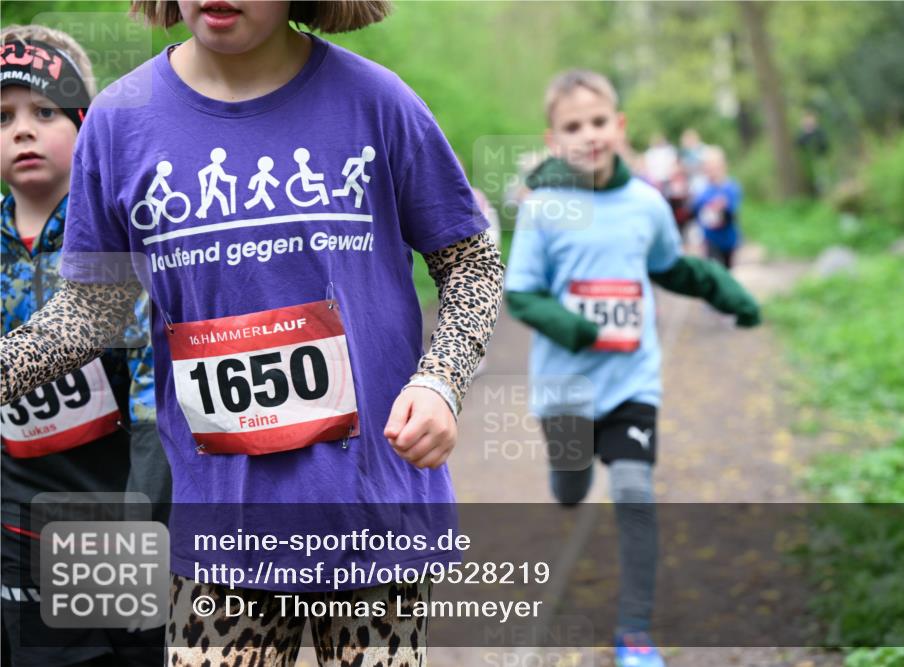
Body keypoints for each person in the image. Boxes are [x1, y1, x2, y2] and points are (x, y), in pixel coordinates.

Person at [0, 2, 504, 665]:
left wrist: (441, 380)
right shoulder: (120, 123)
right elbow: (92, 309)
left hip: (371, 522)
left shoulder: (377, 102)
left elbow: (470, 261)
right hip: (218, 542)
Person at [504, 69, 760, 667]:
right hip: (565, 387)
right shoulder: (544, 208)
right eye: (573, 126)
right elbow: (522, 294)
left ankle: (635, 633)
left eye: (598, 122)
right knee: (570, 488)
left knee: (633, 490)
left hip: (631, 382)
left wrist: (730, 294)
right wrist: (579, 328)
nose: (588, 135)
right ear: (553, 139)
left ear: (618, 128)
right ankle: (566, 479)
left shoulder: (646, 203)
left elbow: (675, 268)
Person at [0, 25, 167, 666]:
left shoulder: (118, 237)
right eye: (4, 115)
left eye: (44, 112)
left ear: (85, 121)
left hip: (122, 495)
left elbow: (158, 387)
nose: (22, 130)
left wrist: (140, 514)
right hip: (20, 504)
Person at [691, 146, 742, 269]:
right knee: (714, 270)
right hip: (710, 239)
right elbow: (695, 209)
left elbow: (733, 210)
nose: (712, 171)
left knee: (727, 270)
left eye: (715, 167)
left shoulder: (731, 187)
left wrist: (723, 206)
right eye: (708, 167)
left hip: (728, 238)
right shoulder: (702, 190)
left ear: (723, 166)